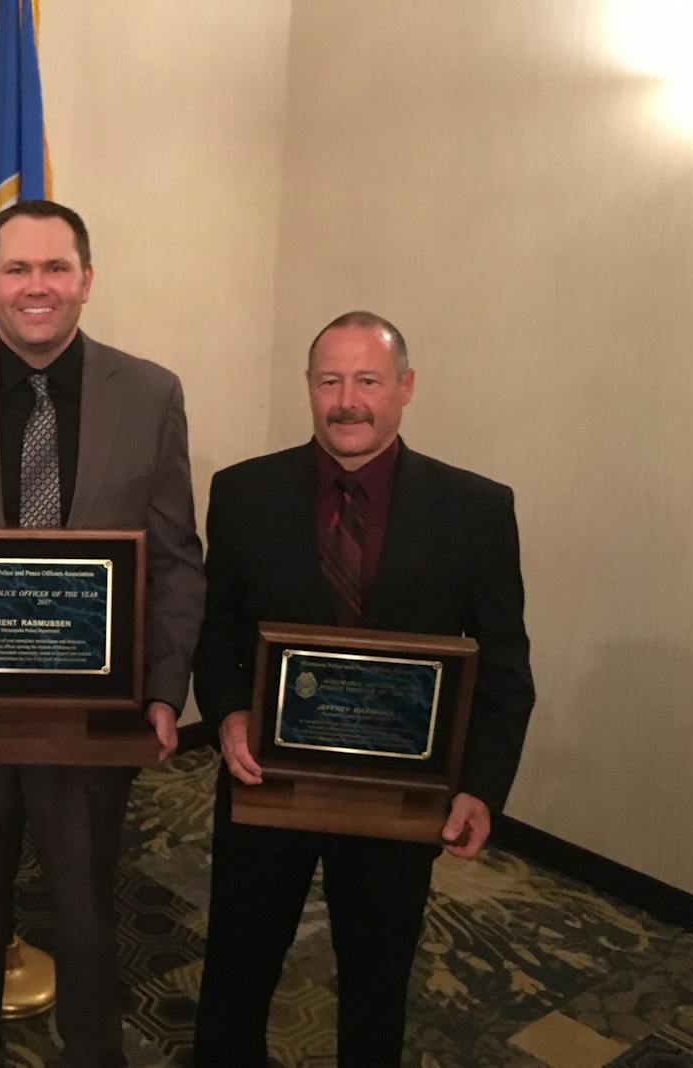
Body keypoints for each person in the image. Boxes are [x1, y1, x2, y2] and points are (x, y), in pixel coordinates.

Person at [0, 199, 205, 1067]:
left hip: (96, 711)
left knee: (90, 908)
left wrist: (167, 693)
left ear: (87, 281)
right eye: (17, 269)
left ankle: (94, 1052)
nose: (36, 287)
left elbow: (174, 556)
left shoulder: (153, 392)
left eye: (55, 268)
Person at [192, 310, 535, 1066]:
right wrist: (225, 716)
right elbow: (215, 629)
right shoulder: (243, 492)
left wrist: (480, 785)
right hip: (267, 782)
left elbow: (504, 664)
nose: (348, 400)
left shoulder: (477, 511)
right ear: (310, 389)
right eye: (330, 381)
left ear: (405, 388)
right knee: (237, 970)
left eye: (369, 381)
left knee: (377, 982)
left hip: (399, 796)